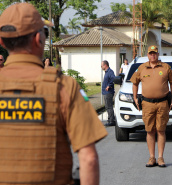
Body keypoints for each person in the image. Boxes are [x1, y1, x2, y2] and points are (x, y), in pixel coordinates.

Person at [0, 3, 107, 185]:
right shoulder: (63, 87)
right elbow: (89, 159)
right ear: (37, 39)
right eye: (44, 33)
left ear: (2, 42)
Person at [130, 45, 172, 167]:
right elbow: (135, 83)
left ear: (158, 54)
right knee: (150, 130)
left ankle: (160, 158)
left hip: (162, 103)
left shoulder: (166, 67)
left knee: (161, 130)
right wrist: (135, 97)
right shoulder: (141, 68)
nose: (153, 55)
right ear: (148, 55)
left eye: (155, 53)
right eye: (151, 53)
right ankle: (152, 157)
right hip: (147, 104)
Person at [101, 60, 115, 126]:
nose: (101, 67)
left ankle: (111, 121)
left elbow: (113, 79)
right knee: (107, 106)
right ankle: (110, 119)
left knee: (109, 106)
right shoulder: (107, 72)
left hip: (108, 92)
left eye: (102, 65)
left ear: (105, 65)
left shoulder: (110, 72)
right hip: (106, 92)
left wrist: (109, 85)